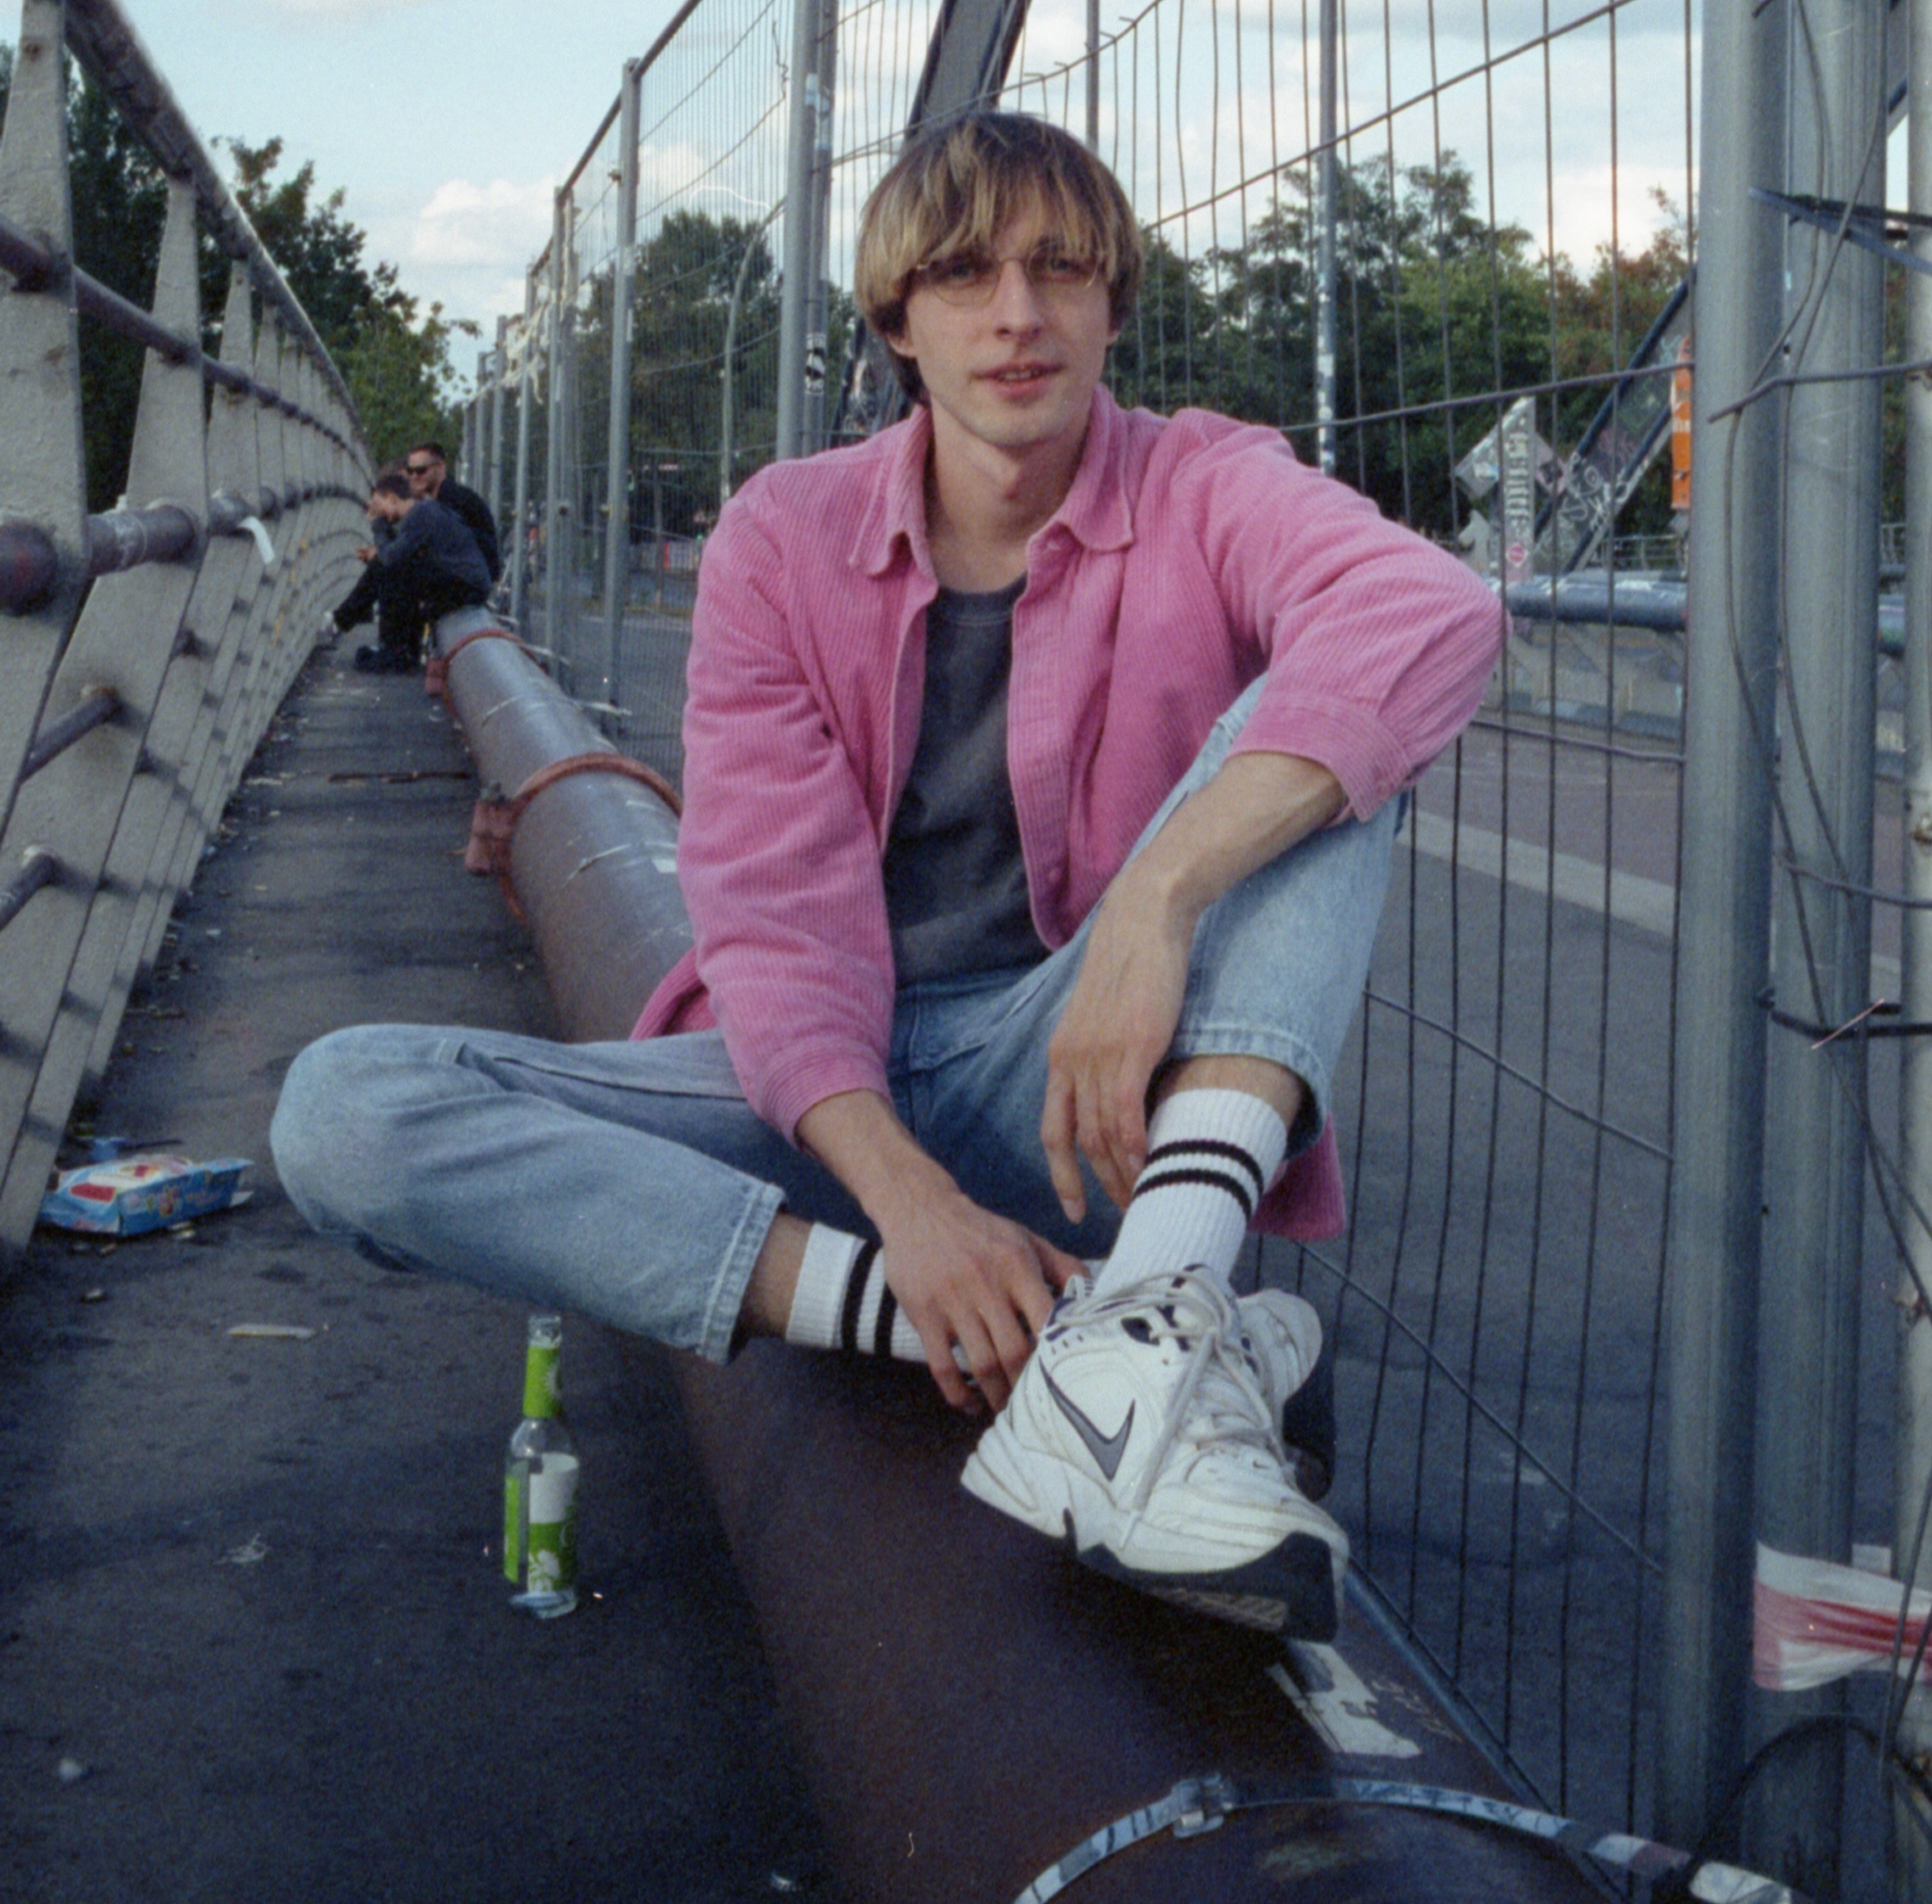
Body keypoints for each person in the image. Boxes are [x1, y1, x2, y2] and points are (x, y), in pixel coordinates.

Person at [274, 113, 1500, 1632]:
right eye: (964, 273)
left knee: (1327, 731)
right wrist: (906, 1207)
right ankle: (1078, 1345)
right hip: (821, 1101)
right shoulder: (785, 536)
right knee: (343, 1108)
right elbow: (779, 934)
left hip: (1079, 1092)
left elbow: (1429, 609)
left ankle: (1152, 1309)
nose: (1016, 313)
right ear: (897, 318)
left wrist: (1157, 900)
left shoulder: (1201, 479)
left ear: (1113, 304)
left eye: (1060, 268)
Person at [332, 466, 493, 674]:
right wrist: (381, 550)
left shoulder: (419, 514)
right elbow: (399, 554)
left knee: (385, 566)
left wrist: (378, 524)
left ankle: (383, 644)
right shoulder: (423, 511)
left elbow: (390, 559)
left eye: (378, 504)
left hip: (465, 588)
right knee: (388, 566)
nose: (376, 511)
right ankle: (388, 644)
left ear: (392, 498)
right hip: (465, 584)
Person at [405, 440, 501, 585]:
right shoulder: (445, 499)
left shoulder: (453, 501)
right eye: (410, 471)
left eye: (421, 470)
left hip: (467, 582)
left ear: (440, 467)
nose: (414, 476)